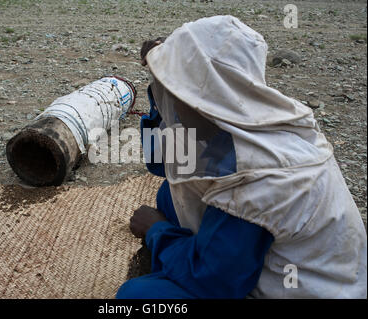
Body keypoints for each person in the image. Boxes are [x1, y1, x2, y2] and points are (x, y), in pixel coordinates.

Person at [116, 15, 367, 299]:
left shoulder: (257, 177)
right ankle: (183, 255)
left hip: (303, 290)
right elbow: (162, 159)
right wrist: (161, 69)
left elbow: (214, 281)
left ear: (201, 95)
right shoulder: (251, 121)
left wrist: (157, 231)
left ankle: (178, 258)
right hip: (280, 255)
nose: (169, 97)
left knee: (137, 296)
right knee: (170, 196)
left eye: (174, 87)